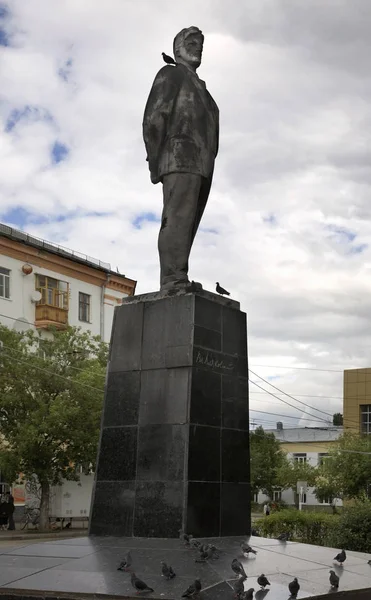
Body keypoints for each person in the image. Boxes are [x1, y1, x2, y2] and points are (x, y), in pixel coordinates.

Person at [143, 26, 219, 291]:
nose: (197, 46)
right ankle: (172, 279)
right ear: (177, 48)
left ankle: (179, 274)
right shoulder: (171, 74)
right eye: (191, 41)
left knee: (188, 223)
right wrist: (155, 161)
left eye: (200, 43)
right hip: (178, 157)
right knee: (177, 218)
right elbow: (154, 117)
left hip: (202, 164)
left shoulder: (206, 93)